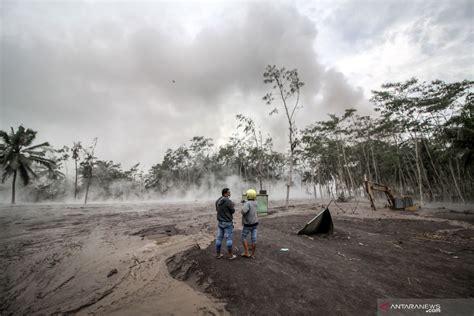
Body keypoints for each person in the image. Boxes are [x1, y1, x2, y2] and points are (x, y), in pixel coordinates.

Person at [215, 188, 237, 260]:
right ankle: (230, 255)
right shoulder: (228, 201)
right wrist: (232, 206)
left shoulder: (218, 200)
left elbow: (217, 209)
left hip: (220, 222)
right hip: (227, 223)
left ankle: (218, 254)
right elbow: (233, 211)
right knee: (229, 239)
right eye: (228, 192)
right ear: (225, 193)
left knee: (219, 238)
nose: (230, 193)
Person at [241, 189, 258, 258]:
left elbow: (243, 212)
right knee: (254, 239)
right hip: (255, 224)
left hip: (248, 224)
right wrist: (245, 202)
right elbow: (251, 203)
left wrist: (244, 205)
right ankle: (253, 254)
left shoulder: (247, 204)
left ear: (248, 195)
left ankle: (246, 252)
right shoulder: (256, 202)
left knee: (243, 237)